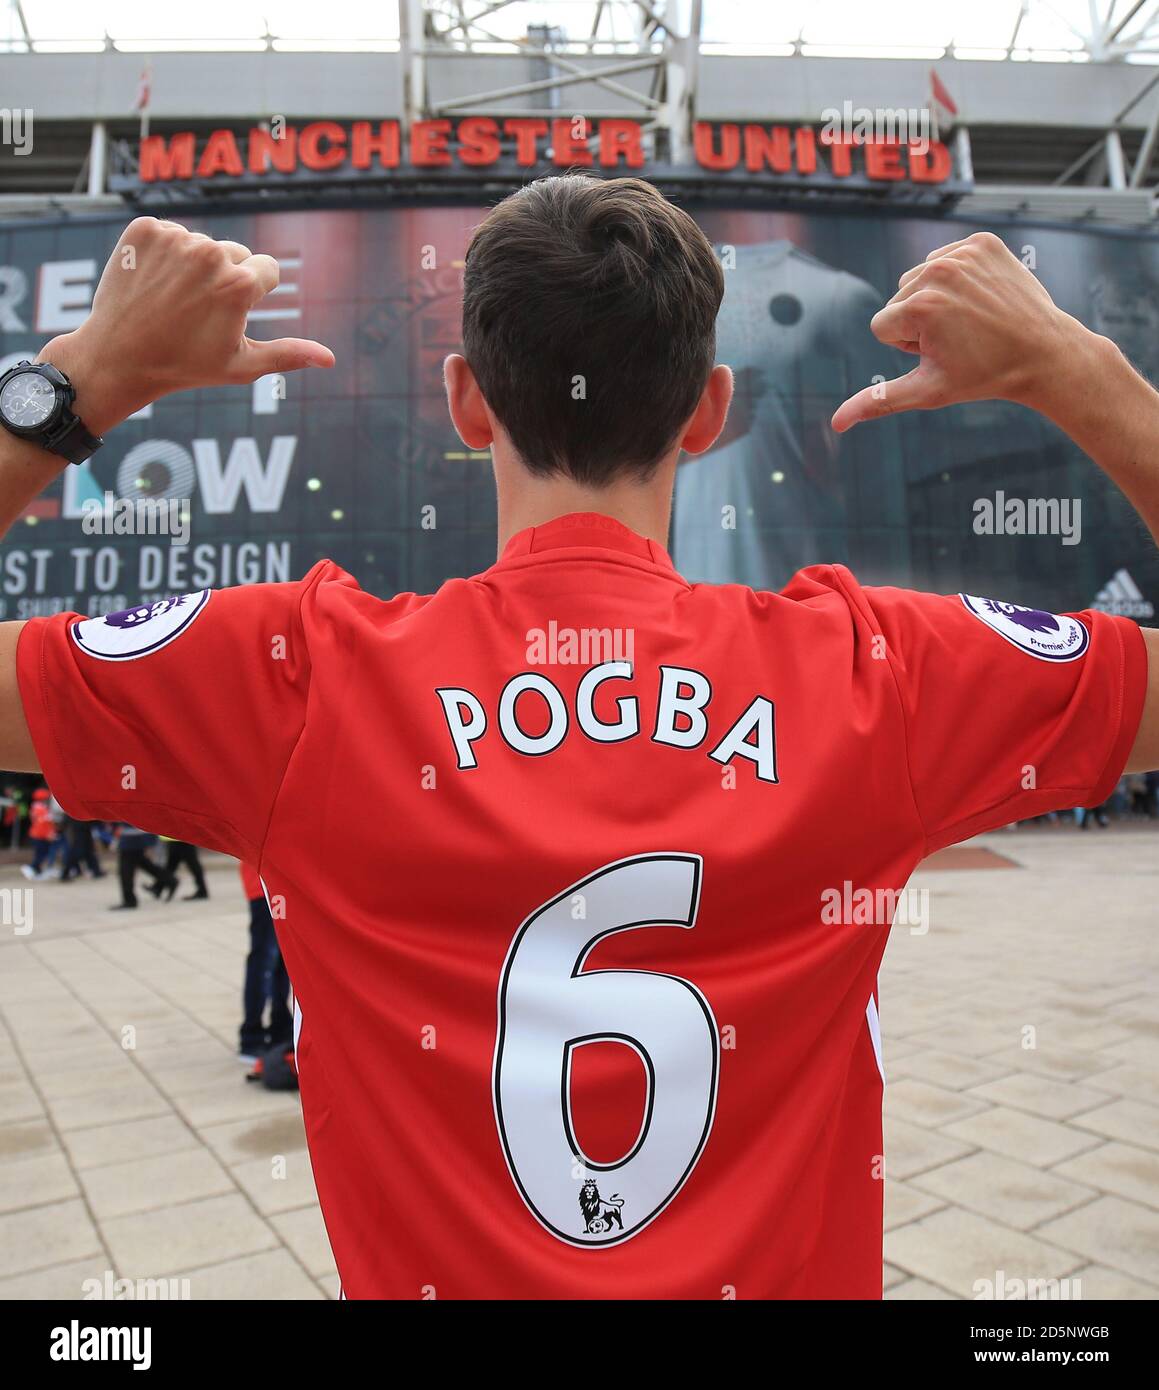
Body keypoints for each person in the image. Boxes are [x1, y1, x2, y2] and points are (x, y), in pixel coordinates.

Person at [0, 185, 1155, 1299]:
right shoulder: (870, 676)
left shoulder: (303, 680)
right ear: (709, 411)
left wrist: (80, 383)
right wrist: (1082, 377)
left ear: (464, 402)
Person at [238, 862, 292, 1063]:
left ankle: (280, 1026)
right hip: (265, 888)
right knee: (264, 960)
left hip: (280, 886)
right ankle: (252, 1035)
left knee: (282, 959)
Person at [111, 823, 174, 911]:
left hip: (130, 840)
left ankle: (129, 900)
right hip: (134, 839)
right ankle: (170, 880)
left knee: (126, 872)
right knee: (145, 865)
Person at [21, 787, 59, 880]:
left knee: (42, 853)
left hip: (39, 834)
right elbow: (43, 824)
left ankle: (37, 870)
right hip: (39, 835)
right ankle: (33, 868)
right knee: (41, 854)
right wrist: (49, 834)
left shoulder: (38, 807)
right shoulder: (39, 808)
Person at [158, 836, 209, 900]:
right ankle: (159, 886)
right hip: (177, 835)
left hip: (182, 835)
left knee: (192, 863)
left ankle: (202, 890)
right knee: (173, 862)